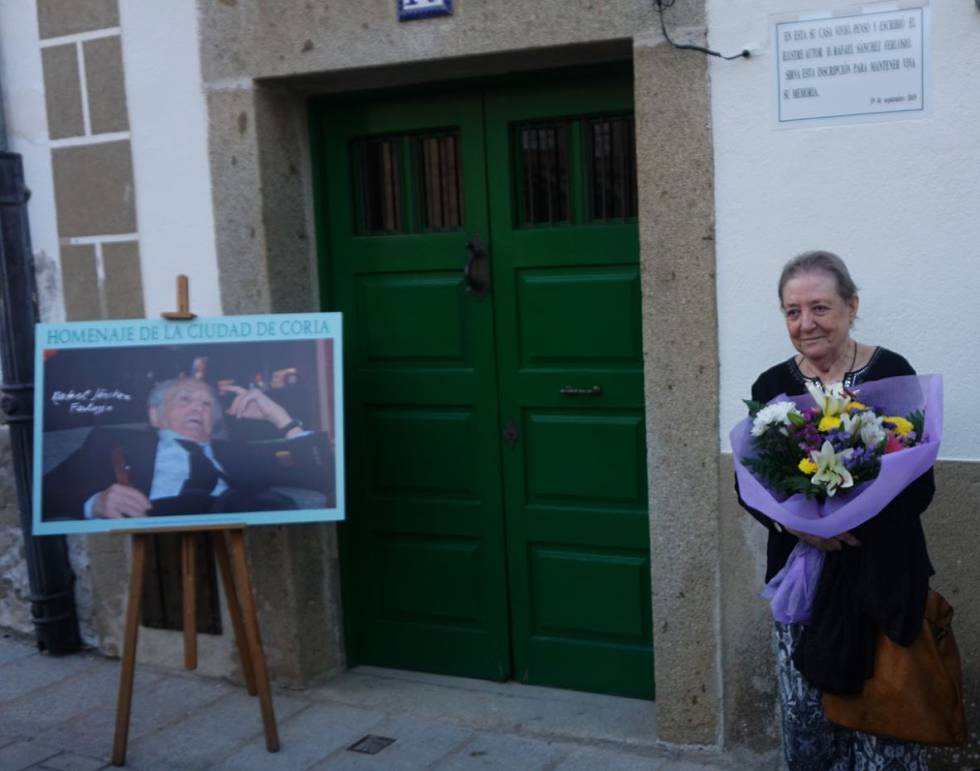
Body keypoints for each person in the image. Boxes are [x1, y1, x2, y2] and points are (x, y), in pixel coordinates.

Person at [737, 251, 935, 770]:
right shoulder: (771, 388)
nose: (806, 324)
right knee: (809, 725)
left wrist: (848, 522)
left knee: (887, 724)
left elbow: (918, 487)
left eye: (820, 308)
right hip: (804, 580)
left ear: (851, 306)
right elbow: (751, 483)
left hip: (883, 574)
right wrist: (801, 525)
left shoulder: (891, 373)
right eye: (792, 311)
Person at [42, 377, 335, 520]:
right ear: (156, 416)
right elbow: (46, 494)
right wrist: (93, 504)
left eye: (207, 404)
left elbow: (324, 477)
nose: (199, 406)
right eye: (185, 399)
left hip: (231, 513)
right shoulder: (110, 442)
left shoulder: (238, 452)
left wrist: (280, 419)